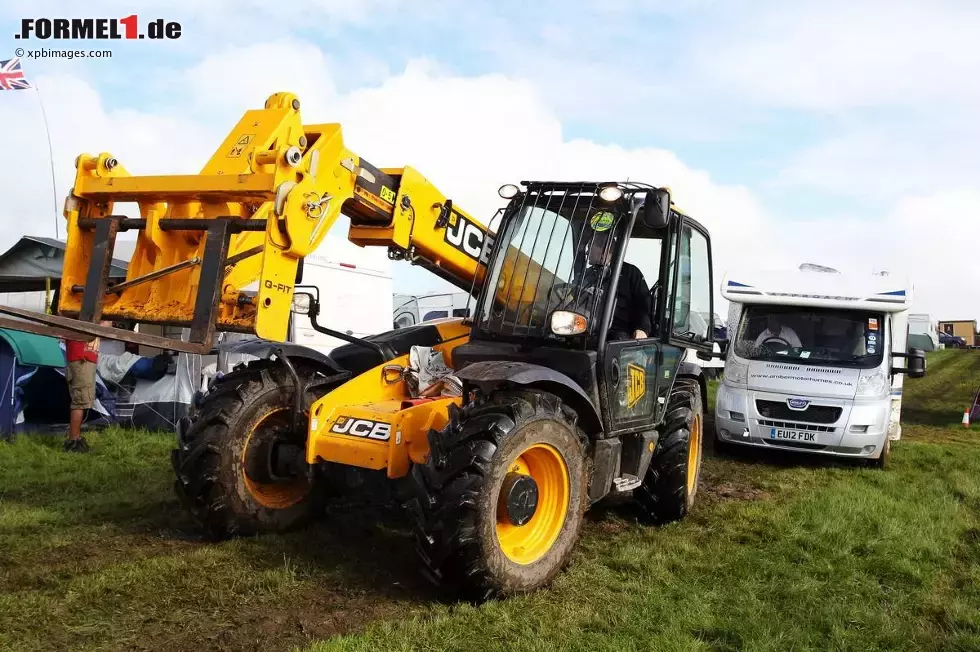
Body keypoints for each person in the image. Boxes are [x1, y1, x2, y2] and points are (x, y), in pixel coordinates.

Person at [583, 224, 653, 341]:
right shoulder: (587, 274)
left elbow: (643, 305)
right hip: (584, 328)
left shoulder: (630, 273)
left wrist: (642, 329)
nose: (587, 252)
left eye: (590, 247)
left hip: (616, 333)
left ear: (604, 249)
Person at [63, 328, 105, 453]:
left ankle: (75, 438)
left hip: (87, 359)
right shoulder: (78, 311)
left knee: (82, 400)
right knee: (80, 401)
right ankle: (73, 442)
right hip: (81, 358)